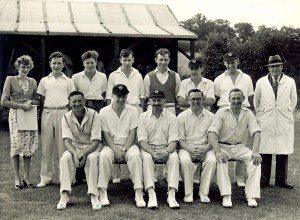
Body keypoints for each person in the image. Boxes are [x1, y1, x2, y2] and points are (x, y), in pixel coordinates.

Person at [208, 88, 262, 208]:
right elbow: (212, 132)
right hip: (223, 146)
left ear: (243, 99)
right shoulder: (221, 112)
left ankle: (251, 196)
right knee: (221, 160)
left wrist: (256, 151)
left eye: (239, 98)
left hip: (239, 147)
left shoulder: (248, 113)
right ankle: (226, 195)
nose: (236, 101)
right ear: (229, 99)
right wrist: (217, 151)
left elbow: (256, 132)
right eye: (233, 98)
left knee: (255, 160)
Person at [98, 84, 146, 208]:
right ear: (112, 96)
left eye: (123, 96)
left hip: (128, 145)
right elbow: (105, 135)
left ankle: (138, 191)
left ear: (127, 96)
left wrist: (124, 150)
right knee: (103, 156)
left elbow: (133, 132)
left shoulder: (133, 110)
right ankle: (102, 191)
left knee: (135, 156)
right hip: (111, 145)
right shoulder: (103, 111)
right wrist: (116, 150)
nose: (121, 99)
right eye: (118, 96)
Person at [254, 55, 297, 189]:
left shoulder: (290, 81)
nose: (275, 69)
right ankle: (264, 180)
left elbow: (293, 100)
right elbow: (256, 100)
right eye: (272, 67)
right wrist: (261, 113)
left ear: (282, 67)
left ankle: (281, 181)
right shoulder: (261, 81)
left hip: (284, 118)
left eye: (277, 66)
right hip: (266, 118)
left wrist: (287, 110)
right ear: (269, 68)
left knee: (282, 149)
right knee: (265, 149)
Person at [213, 52, 255, 187]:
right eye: (228, 62)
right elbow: (216, 99)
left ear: (237, 61)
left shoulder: (247, 78)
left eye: (233, 62)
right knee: (221, 146)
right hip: (224, 114)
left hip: (242, 113)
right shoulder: (219, 79)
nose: (231, 65)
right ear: (224, 63)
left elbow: (251, 98)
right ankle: (220, 179)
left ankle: (239, 177)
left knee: (240, 145)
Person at [57, 91, 102, 210]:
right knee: (65, 158)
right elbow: (67, 141)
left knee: (92, 159)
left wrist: (85, 153)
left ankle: (94, 195)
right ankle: (64, 194)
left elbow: (96, 141)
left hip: (91, 147)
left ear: (84, 101)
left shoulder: (94, 115)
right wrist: (76, 153)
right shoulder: (66, 117)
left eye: (79, 101)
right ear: (69, 103)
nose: (77, 104)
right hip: (75, 147)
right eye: (74, 101)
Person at [106, 49, 145, 183]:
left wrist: (143, 113)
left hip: (134, 109)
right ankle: (116, 175)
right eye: (124, 60)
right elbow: (109, 97)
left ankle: (137, 174)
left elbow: (142, 96)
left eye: (129, 60)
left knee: (134, 140)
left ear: (133, 60)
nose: (127, 63)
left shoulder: (138, 75)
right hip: (117, 108)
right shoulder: (113, 75)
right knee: (116, 136)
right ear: (120, 60)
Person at [36, 51, 75, 188]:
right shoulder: (44, 80)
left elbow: (72, 100)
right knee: (46, 146)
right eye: (54, 63)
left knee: (63, 146)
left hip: (63, 112)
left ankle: (66, 177)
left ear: (63, 65)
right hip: (47, 112)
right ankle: (45, 177)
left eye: (59, 63)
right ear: (50, 64)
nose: (57, 65)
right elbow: (40, 99)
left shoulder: (69, 81)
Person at [1, 55, 39, 189]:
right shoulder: (10, 80)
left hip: (29, 115)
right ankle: (17, 178)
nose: (25, 69)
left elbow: (37, 100)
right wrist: (21, 105)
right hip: (16, 116)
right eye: (23, 66)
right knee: (17, 145)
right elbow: (4, 101)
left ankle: (27, 178)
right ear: (18, 67)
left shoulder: (33, 82)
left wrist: (31, 102)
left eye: (28, 67)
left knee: (28, 146)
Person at [138, 90, 180, 209]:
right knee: (146, 158)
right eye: (154, 100)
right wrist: (152, 153)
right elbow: (142, 141)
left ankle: (171, 194)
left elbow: (173, 140)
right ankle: (151, 193)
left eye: (159, 100)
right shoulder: (142, 117)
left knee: (174, 158)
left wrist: (167, 152)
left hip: (166, 148)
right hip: (148, 148)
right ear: (149, 102)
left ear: (164, 101)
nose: (156, 103)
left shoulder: (172, 117)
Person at [177, 89, 216, 203]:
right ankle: (188, 193)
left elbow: (213, 138)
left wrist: (204, 150)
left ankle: (203, 192)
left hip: (205, 147)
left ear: (203, 99)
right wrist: (191, 150)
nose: (195, 101)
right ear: (188, 100)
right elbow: (180, 140)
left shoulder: (211, 116)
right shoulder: (181, 117)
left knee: (212, 160)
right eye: (192, 99)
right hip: (186, 148)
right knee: (185, 160)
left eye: (198, 99)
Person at [144, 48, 181, 115]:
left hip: (170, 110)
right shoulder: (148, 77)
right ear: (156, 60)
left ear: (169, 60)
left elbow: (177, 95)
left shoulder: (176, 76)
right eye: (160, 59)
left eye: (165, 60)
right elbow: (147, 97)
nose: (163, 62)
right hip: (153, 110)